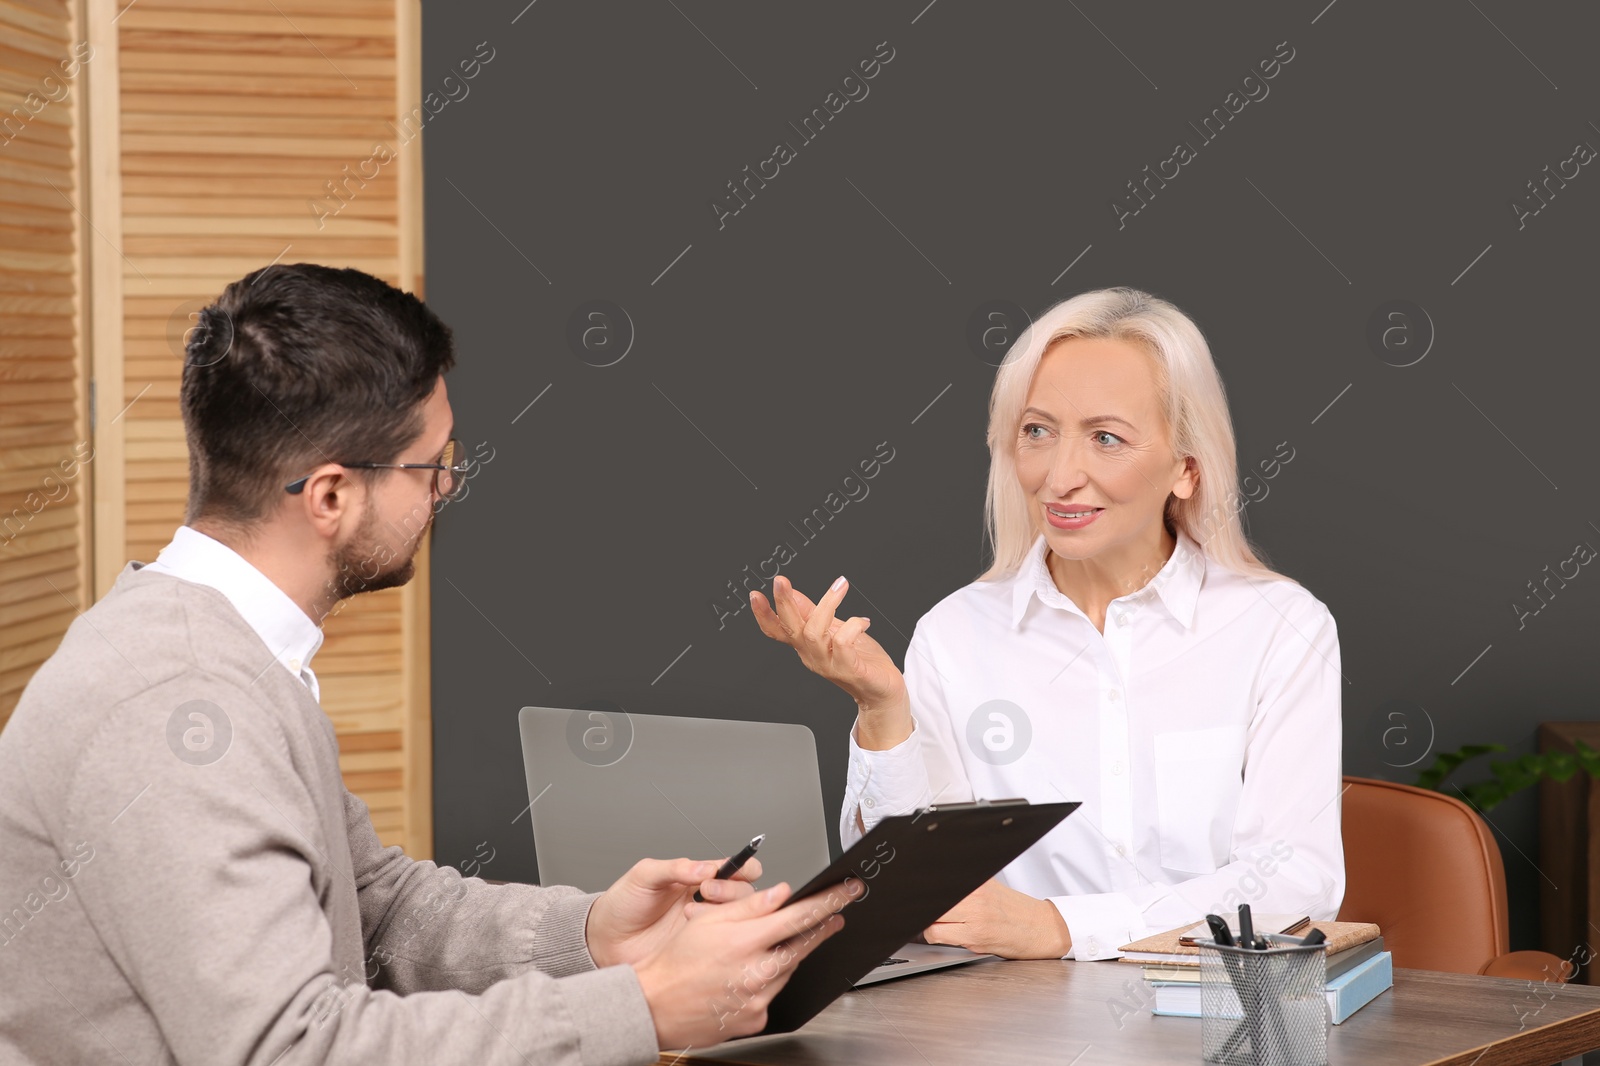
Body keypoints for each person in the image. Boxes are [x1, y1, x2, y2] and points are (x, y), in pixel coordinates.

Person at [0, 264, 859, 1065]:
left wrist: (594, 935)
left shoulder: (230, 656)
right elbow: (294, 1051)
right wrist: (641, 1006)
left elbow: (374, 907)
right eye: (432, 467)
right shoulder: (180, 705)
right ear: (332, 495)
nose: (446, 489)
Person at [752, 287, 1343, 961]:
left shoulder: (1279, 627)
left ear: (1186, 468)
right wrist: (883, 708)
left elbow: (1297, 880)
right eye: (1037, 431)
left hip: (1212, 1023)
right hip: (1010, 1027)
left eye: (1106, 438)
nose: (1061, 476)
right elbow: (904, 896)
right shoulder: (954, 634)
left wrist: (1063, 927)